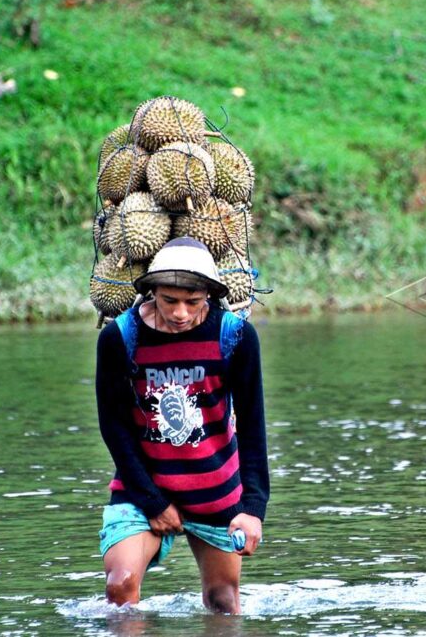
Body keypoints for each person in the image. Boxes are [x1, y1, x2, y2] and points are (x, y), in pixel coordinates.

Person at [95, 237, 269, 613]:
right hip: (142, 487)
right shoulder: (121, 338)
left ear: (209, 294)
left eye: (193, 302)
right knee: (120, 586)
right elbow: (113, 425)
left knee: (223, 603)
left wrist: (253, 508)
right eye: (169, 300)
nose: (180, 313)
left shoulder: (235, 336)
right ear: (151, 292)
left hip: (215, 490)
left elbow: (253, 428)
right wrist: (152, 501)